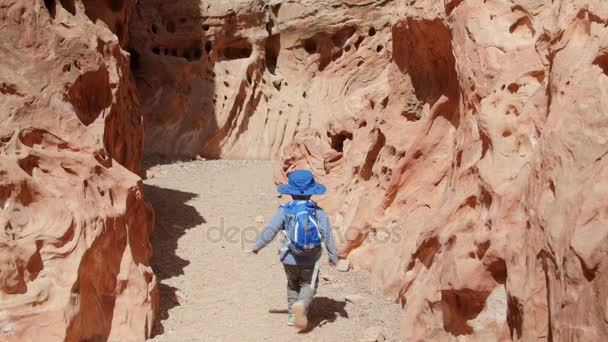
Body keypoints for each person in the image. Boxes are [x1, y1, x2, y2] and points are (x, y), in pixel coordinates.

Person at [251, 169, 339, 330]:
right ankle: (301, 307)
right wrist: (333, 256)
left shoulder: (285, 209)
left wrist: (258, 245)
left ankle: (292, 315)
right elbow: (327, 234)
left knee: (292, 284)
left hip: (288, 257)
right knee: (308, 284)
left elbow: (271, 229)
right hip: (311, 258)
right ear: (311, 192)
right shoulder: (317, 211)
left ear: (290, 192)